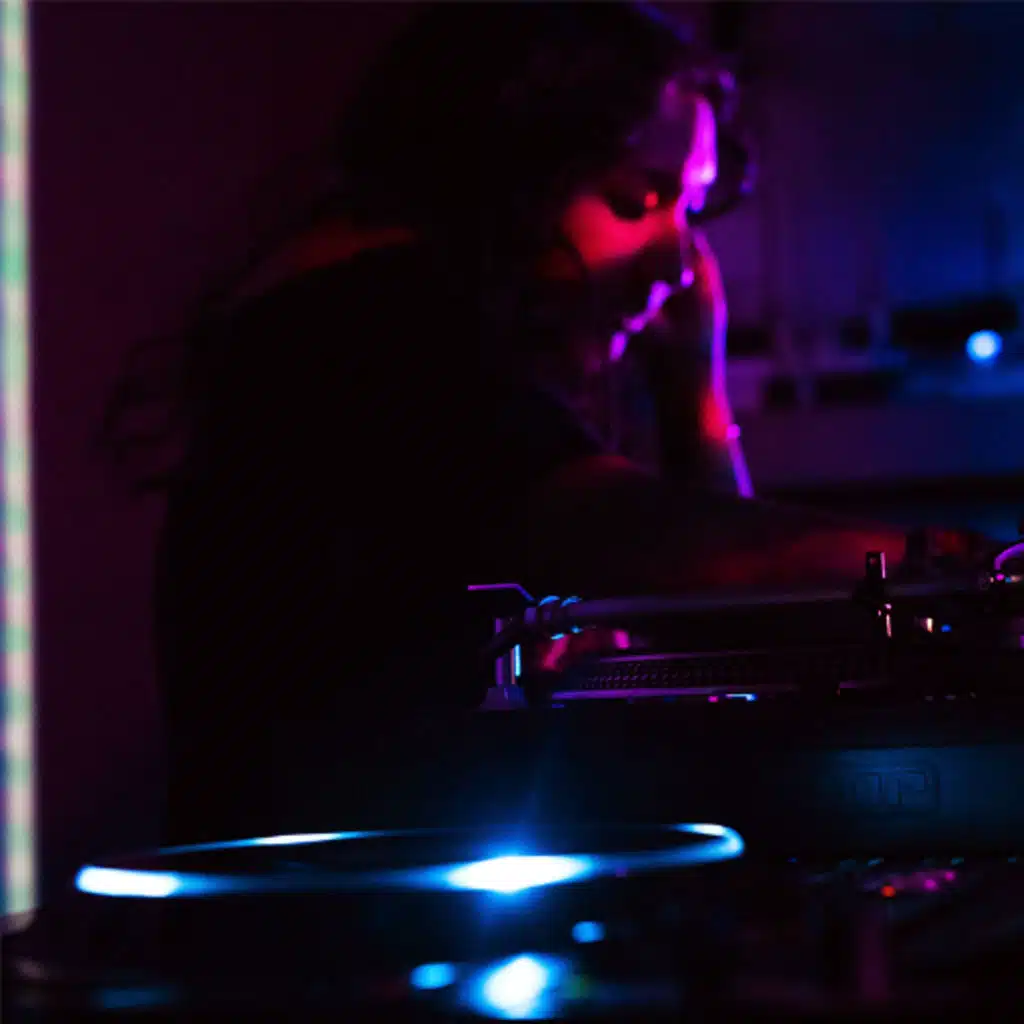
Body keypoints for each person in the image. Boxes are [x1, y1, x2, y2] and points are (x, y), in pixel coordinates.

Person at [101, 3, 963, 845]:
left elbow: (702, 614)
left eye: (691, 211)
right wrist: (968, 566)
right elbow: (655, 550)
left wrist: (695, 394)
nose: (682, 262)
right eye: (638, 198)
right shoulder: (364, 321)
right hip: (319, 921)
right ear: (507, 172)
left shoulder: (388, 315)